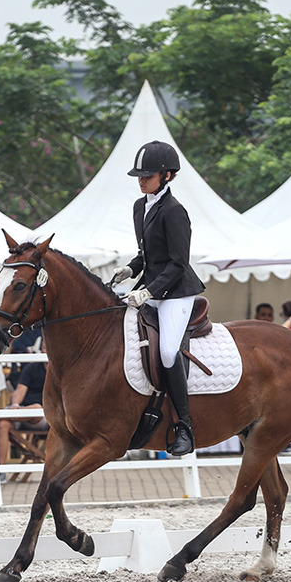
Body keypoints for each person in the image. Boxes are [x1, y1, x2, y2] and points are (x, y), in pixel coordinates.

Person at [109, 140, 204, 456]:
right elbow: (147, 255)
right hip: (149, 287)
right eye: (139, 175)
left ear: (166, 175)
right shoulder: (140, 206)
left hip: (177, 293)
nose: (141, 180)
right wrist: (130, 268)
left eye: (147, 175)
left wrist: (148, 291)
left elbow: (177, 264)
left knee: (166, 352)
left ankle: (185, 427)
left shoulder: (176, 212)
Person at [0, 337, 49, 482]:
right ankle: (1, 470)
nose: (45, 351)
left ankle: (3, 414)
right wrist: (15, 404)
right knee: (3, 425)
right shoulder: (32, 368)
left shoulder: (60, 370)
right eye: (43, 348)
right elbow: (20, 390)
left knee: (37, 408)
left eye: (48, 348)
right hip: (22, 412)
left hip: (45, 417)